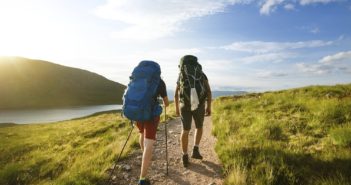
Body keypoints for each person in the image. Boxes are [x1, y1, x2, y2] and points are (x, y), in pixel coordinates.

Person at [174, 55, 212, 167]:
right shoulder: (201, 74)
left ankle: (184, 155)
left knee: (185, 130)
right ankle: (195, 149)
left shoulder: (181, 75)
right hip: (199, 104)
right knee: (199, 127)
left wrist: (176, 108)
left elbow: (176, 93)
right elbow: (209, 91)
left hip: (184, 105)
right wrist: (208, 106)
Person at [137, 78, 169, 185]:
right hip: (151, 114)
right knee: (149, 142)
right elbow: (166, 103)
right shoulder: (159, 81)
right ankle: (142, 179)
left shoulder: (139, 77)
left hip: (138, 111)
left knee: (141, 133)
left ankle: (144, 156)